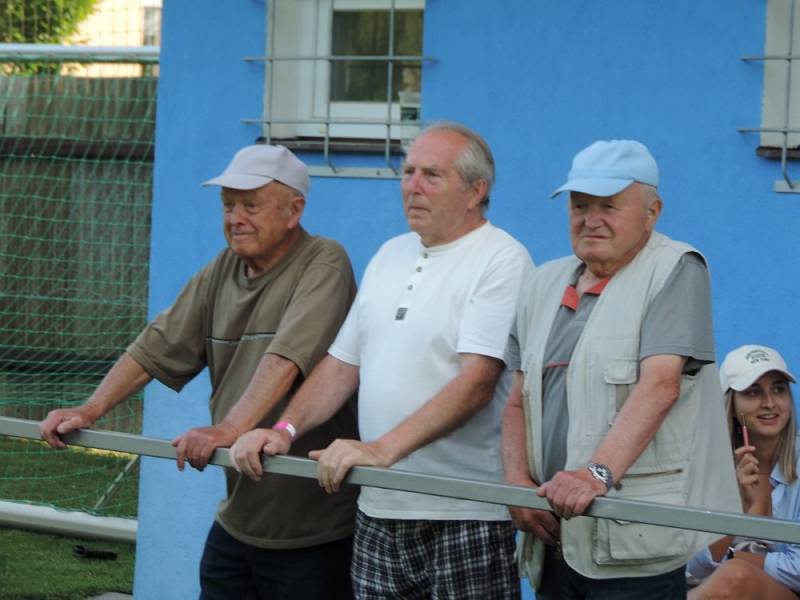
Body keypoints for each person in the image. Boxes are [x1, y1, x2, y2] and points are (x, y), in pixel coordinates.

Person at [39, 144, 359, 600]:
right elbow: (153, 349)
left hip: (314, 530)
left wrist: (227, 428)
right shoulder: (221, 270)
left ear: (294, 211)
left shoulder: (325, 261)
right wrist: (89, 410)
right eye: (228, 205)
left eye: (251, 205)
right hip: (237, 521)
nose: (235, 218)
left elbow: (285, 358)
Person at [230, 122, 535, 599]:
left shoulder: (502, 260)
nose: (412, 185)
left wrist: (380, 450)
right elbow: (340, 364)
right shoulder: (390, 253)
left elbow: (477, 382)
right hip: (378, 505)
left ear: (476, 190)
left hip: (461, 511)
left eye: (432, 175)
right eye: (408, 171)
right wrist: (283, 430)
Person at [502, 139, 739, 599]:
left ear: (652, 212)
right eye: (579, 205)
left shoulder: (676, 269)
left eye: (608, 206)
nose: (590, 219)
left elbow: (660, 385)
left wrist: (595, 476)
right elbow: (517, 399)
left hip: (633, 541)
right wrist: (516, 483)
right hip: (552, 534)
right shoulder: (542, 282)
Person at [687, 344, 800, 599]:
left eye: (778, 389)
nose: (769, 403)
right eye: (753, 392)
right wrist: (734, 506)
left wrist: (736, 558)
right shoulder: (705, 466)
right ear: (731, 403)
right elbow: (690, 570)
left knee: (735, 575)